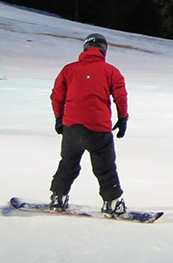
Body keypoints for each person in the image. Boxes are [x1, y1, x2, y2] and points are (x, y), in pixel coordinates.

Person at [49, 33, 129, 217]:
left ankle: (58, 198)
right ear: (104, 50)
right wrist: (123, 118)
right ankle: (112, 203)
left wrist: (59, 118)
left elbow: (57, 96)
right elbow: (120, 97)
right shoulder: (111, 71)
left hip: (72, 126)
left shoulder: (69, 69)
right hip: (98, 128)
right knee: (105, 167)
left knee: (68, 163)